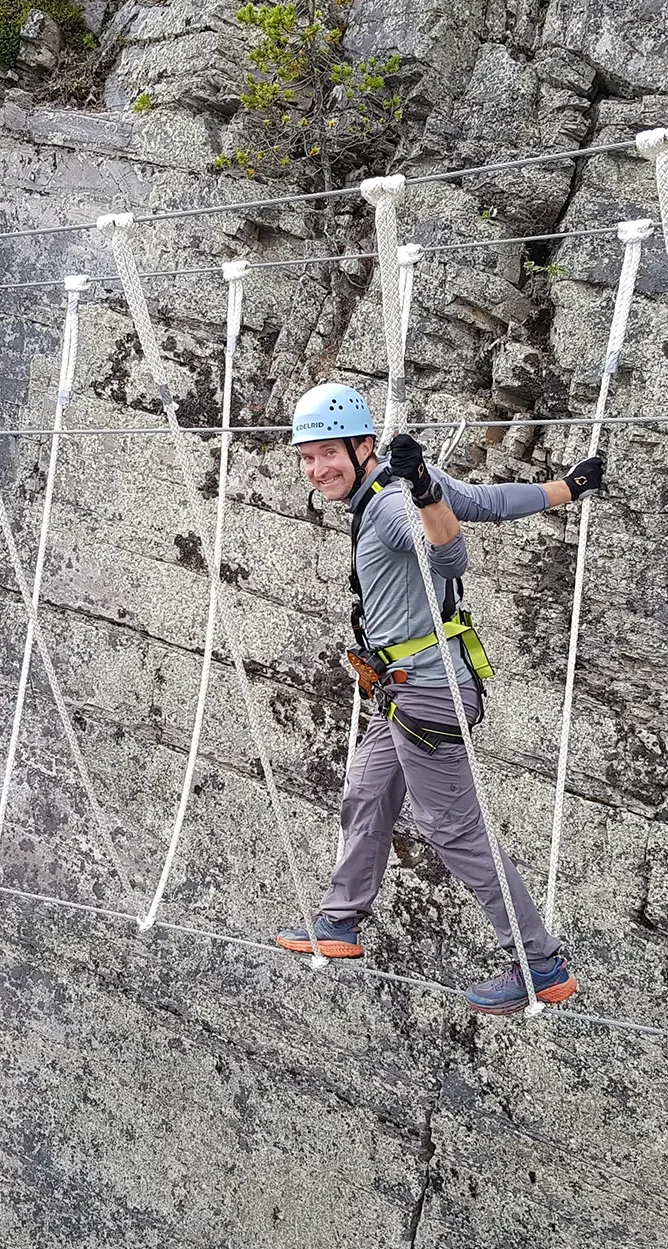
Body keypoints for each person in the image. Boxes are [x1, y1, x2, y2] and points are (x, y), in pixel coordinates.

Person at [275, 382, 604, 1015]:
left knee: (451, 827)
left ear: (364, 446)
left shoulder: (393, 504)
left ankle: (538, 964)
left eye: (328, 453)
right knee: (368, 790)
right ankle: (340, 922)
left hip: (428, 694)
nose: (316, 470)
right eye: (307, 457)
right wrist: (567, 488)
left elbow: (448, 557)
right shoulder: (396, 487)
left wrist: (425, 494)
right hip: (403, 693)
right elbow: (486, 501)